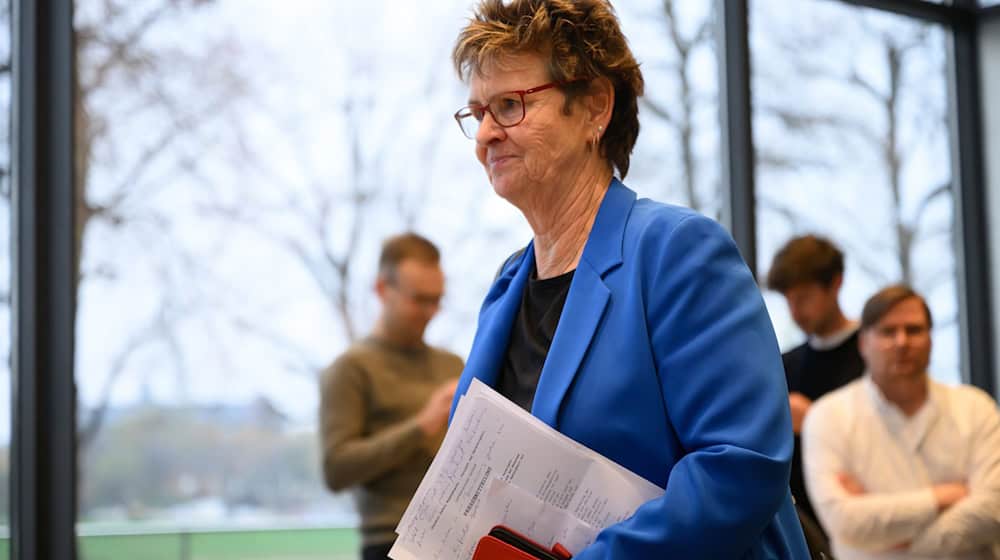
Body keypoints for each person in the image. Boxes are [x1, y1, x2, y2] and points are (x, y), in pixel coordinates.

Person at [449, 1, 809, 557]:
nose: (485, 136)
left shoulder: (677, 251)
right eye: (478, 113)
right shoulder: (505, 287)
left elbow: (740, 465)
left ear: (595, 107)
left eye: (510, 106)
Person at [802, 284, 1000, 559]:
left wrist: (908, 549)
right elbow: (844, 520)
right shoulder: (828, 417)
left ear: (931, 339)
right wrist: (944, 497)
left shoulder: (976, 408)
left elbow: (993, 508)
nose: (902, 342)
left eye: (914, 330)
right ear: (863, 343)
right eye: (887, 331)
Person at [319, 233, 464, 560]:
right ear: (382, 290)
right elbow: (335, 469)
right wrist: (420, 427)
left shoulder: (452, 364)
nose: (431, 311)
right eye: (419, 299)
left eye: (437, 299)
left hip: (457, 538)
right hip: (392, 542)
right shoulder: (351, 369)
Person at [767, 235, 865, 532]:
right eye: (789, 300)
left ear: (835, 284)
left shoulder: (873, 359)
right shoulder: (784, 365)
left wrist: (814, 422)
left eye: (804, 298)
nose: (795, 312)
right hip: (799, 526)